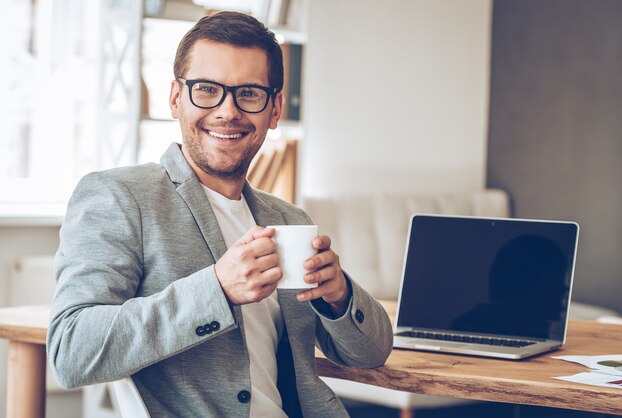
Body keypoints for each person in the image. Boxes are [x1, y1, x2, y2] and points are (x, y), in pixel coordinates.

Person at [47, 11, 393, 418]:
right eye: (207, 90)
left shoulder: (288, 220)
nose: (228, 111)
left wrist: (339, 296)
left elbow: (372, 353)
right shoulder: (120, 197)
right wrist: (216, 289)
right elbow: (71, 351)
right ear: (176, 98)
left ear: (275, 108)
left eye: (248, 93)